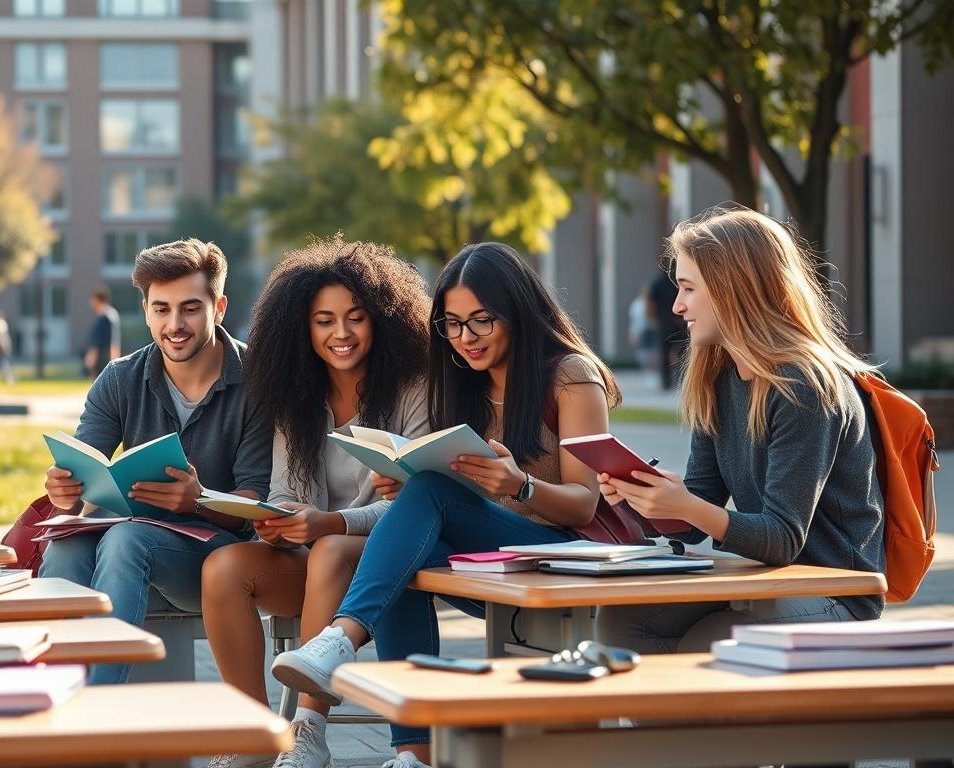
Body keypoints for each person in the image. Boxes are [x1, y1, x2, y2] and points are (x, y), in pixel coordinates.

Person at [270, 242, 621, 768]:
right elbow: (460, 491)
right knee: (397, 558)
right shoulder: (461, 382)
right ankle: (415, 753)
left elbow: (584, 505)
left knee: (427, 497)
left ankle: (341, 639)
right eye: (453, 324)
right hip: (493, 556)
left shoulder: (570, 377)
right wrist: (406, 483)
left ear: (517, 311)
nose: (466, 338)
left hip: (561, 554)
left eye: (481, 321)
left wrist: (520, 484)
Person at [596, 206, 885, 652]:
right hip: (767, 580)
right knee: (623, 621)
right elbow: (695, 520)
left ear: (732, 289)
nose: (676, 306)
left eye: (688, 288)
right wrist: (643, 499)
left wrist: (687, 506)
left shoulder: (805, 386)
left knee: (712, 639)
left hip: (836, 590)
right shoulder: (718, 379)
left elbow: (782, 539)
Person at [200, 238, 431, 768]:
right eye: (324, 321)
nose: (341, 333)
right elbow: (286, 491)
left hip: (386, 558)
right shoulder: (295, 395)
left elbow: (418, 503)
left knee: (329, 548)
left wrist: (329, 523)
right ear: (302, 328)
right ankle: (252, 734)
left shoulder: (414, 387)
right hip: (314, 557)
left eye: (356, 318)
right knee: (222, 568)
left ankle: (309, 729)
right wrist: (277, 521)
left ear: (382, 320)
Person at [38, 238, 272, 685]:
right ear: (146, 310)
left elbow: (255, 501)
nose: (174, 324)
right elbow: (84, 468)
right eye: (161, 309)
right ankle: (56, 693)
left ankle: (97, 708)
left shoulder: (258, 381)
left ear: (219, 308)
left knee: (127, 541)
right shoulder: (119, 379)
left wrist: (199, 500)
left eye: (190, 308)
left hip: (216, 553)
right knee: (66, 544)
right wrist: (65, 493)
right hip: (128, 535)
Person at [649, 266, 687, 390]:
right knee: (683, 352)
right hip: (679, 322)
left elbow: (652, 303)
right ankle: (680, 379)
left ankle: (666, 381)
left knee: (664, 353)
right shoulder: (676, 283)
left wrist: (653, 318)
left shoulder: (657, 283)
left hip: (664, 322)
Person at [84, 285, 121, 380]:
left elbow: (98, 341)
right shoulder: (112, 314)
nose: (91, 302)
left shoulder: (104, 317)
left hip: (102, 359)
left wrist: (91, 356)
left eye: (93, 299)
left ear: (98, 299)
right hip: (108, 358)